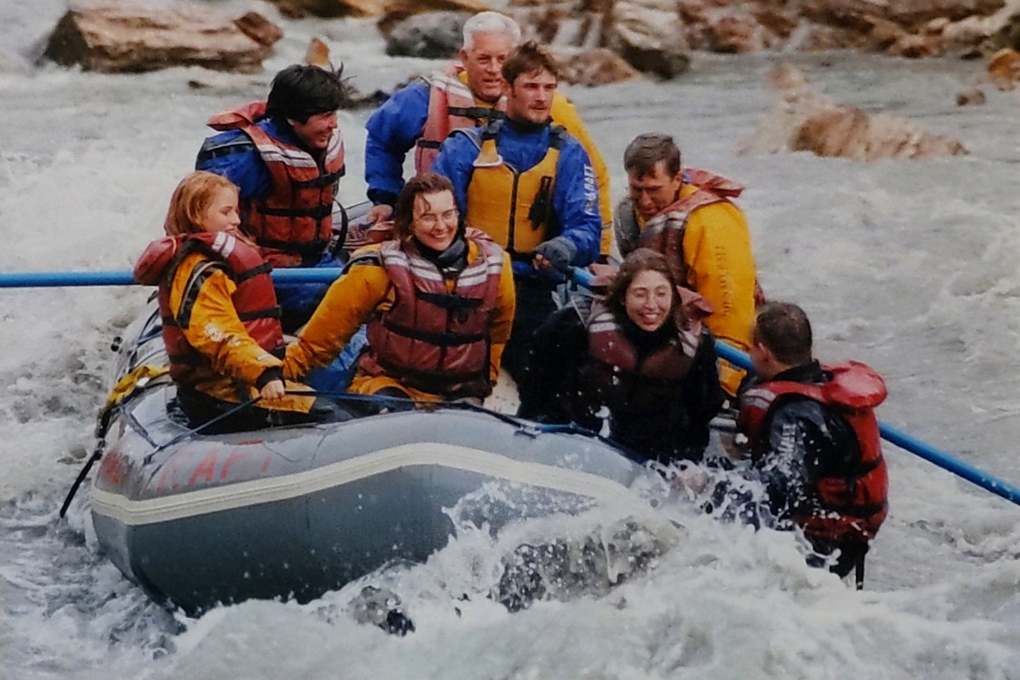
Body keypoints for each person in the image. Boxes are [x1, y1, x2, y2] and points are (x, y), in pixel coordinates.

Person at [363, 11, 614, 257]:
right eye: (484, 59)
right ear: (464, 56)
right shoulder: (428, 100)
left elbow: (594, 178)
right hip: (448, 238)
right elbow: (381, 139)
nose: (494, 69)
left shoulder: (548, 106)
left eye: (502, 59)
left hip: (537, 257)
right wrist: (385, 197)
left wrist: (598, 254)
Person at [431, 40, 602, 393]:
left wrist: (565, 247)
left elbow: (587, 228)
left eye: (549, 88)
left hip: (530, 287)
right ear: (507, 89)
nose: (541, 97)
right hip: (467, 280)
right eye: (531, 86)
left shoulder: (569, 154)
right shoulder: (465, 147)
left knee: (556, 381)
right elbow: (430, 217)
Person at [683, 302, 888, 585]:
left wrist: (712, 485)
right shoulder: (820, 385)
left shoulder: (795, 415)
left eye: (751, 347)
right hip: (847, 532)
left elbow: (782, 485)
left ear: (763, 353)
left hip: (819, 548)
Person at [132, 171, 344, 434]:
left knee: (343, 403)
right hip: (222, 393)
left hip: (241, 380)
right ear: (197, 215)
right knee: (333, 419)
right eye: (226, 212)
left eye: (236, 211)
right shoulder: (198, 272)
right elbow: (218, 335)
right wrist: (264, 372)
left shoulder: (214, 261)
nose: (236, 220)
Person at [283, 173, 516, 406]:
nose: (441, 227)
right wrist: (275, 377)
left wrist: (486, 383)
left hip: (460, 390)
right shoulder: (376, 268)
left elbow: (498, 335)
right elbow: (318, 343)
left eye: (448, 215)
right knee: (389, 408)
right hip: (389, 383)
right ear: (409, 222)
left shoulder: (494, 265)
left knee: (467, 415)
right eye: (428, 217)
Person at [519, 248, 724, 464]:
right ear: (624, 298)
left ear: (673, 298)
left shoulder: (696, 347)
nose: (651, 306)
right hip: (576, 444)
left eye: (661, 294)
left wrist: (687, 466)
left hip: (650, 458)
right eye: (640, 294)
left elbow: (701, 416)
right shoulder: (573, 325)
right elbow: (535, 387)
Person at [196, 64, 348, 332]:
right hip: (267, 272)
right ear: (293, 117)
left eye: (334, 114)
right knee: (343, 300)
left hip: (317, 262)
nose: (333, 124)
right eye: (324, 116)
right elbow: (200, 221)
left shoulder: (321, 142)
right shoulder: (243, 156)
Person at [614, 133, 763, 398]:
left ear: (676, 178)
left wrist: (724, 384)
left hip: (717, 347)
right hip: (664, 333)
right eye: (637, 189)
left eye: (654, 190)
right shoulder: (631, 212)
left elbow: (731, 315)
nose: (645, 201)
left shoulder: (711, 223)